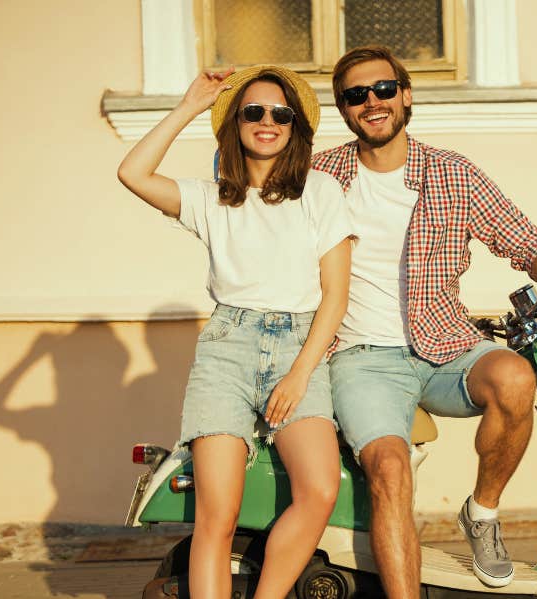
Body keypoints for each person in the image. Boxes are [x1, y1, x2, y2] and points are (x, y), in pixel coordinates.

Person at [312, 46, 537, 595]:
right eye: (356, 95)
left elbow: (525, 239)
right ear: (344, 109)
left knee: (514, 377)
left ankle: (481, 515)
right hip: (362, 358)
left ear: (406, 95)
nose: (372, 102)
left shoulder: (452, 173)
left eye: (384, 89)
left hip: (445, 343)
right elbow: (247, 198)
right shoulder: (320, 176)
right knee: (389, 469)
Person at [117, 65, 353, 599]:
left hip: (299, 347)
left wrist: (298, 375)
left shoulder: (320, 191)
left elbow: (334, 295)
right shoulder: (210, 198)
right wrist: (188, 107)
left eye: (280, 113)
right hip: (227, 350)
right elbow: (132, 172)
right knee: (216, 517)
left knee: (318, 489)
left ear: (295, 126)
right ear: (236, 124)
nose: (267, 122)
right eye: (253, 111)